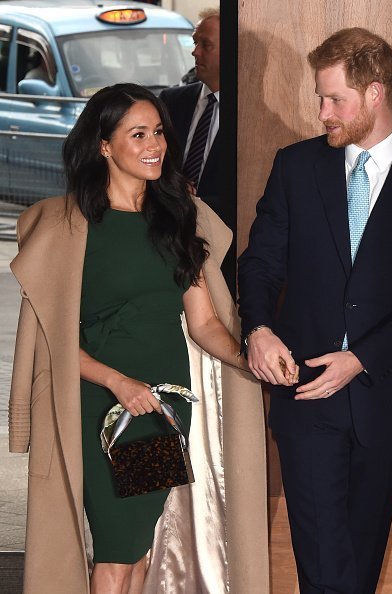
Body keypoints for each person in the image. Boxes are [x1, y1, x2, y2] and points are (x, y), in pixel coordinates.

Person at [238, 27, 392, 594]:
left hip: (385, 392)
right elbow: (261, 262)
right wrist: (259, 328)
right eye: (320, 97)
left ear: (375, 92)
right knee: (322, 556)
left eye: (334, 99)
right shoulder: (295, 167)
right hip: (307, 389)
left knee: (361, 557)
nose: (322, 112)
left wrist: (360, 359)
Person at [9, 83, 269, 594]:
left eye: (158, 133)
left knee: (138, 547)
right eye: (138, 134)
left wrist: (250, 358)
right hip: (100, 406)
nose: (155, 145)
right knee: (115, 547)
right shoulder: (70, 227)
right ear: (104, 145)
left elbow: (204, 323)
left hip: (163, 408)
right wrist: (117, 381)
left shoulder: (174, 218)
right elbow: (52, 343)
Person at [159, 7, 236, 296]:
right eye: (195, 42)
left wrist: (198, 202)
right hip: (167, 240)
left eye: (206, 45)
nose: (195, 52)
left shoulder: (249, 116)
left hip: (222, 248)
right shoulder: (171, 100)